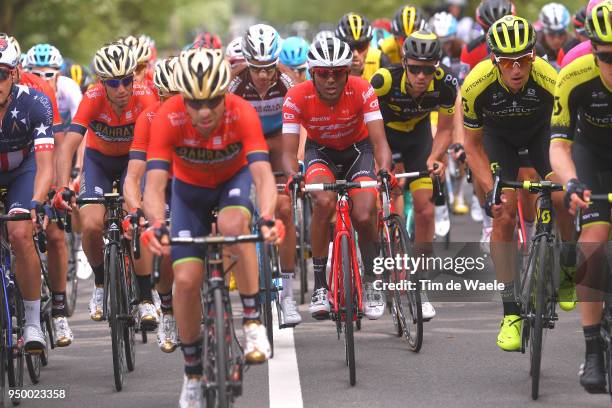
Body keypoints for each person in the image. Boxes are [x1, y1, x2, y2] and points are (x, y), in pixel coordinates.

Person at [141, 48, 281, 407]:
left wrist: (266, 216)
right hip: (188, 197)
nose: (204, 112)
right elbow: (155, 184)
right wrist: (157, 224)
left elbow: (263, 175)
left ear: (225, 95)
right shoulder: (168, 117)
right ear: (183, 98)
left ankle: (252, 323)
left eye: (213, 102)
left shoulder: (241, 112)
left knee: (237, 224)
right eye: (194, 102)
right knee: (185, 280)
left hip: (232, 182)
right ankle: (192, 372)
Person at [462, 15, 574, 352]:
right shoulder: (476, 84)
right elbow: (472, 145)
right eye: (508, 61)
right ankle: (510, 312)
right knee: (505, 213)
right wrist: (490, 188)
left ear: (533, 56)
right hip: (499, 141)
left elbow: (567, 135)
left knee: (562, 197)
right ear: (494, 59)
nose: (517, 69)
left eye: (523, 59)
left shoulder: (549, 78)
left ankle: (568, 265)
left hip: (543, 137)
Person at [281, 37, 393, 320]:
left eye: (338, 73)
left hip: (359, 152)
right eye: (323, 73)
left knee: (366, 214)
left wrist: (384, 169)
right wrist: (294, 175)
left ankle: (371, 283)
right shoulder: (296, 96)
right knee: (323, 201)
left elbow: (380, 142)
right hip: (320, 153)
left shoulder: (362, 89)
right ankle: (320, 286)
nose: (331, 80)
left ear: (347, 73)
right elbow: (287, 150)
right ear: (312, 73)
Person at [53, 43, 158, 327]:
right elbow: (69, 145)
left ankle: (147, 298)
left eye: (127, 80)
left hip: (132, 161)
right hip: (98, 162)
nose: (122, 88)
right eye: (114, 82)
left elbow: (157, 145)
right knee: (90, 224)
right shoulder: (93, 97)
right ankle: (100, 284)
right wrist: (64, 186)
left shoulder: (146, 97)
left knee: (134, 219)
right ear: (103, 82)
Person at [371, 30, 459, 320]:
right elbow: (364, 121)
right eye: (415, 68)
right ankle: (376, 261)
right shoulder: (383, 81)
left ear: (437, 67)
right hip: (383, 138)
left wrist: (435, 157)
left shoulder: (445, 85)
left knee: (425, 210)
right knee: (387, 195)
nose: (421, 76)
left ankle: (418, 284)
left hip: (418, 141)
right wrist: (377, 158)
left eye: (428, 69)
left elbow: (445, 129)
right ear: (405, 62)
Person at [549, 0, 612, 393]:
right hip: (591, 155)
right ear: (592, 49)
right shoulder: (574, 74)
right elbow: (558, 144)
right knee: (592, 244)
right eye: (606, 56)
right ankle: (592, 350)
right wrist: (571, 182)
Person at [229, 24, 301, 325]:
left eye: (269, 68)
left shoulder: (287, 78)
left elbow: (302, 119)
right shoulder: (233, 82)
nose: (263, 75)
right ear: (247, 61)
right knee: (237, 214)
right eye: (257, 69)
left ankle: (287, 295)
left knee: (284, 209)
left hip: (278, 139)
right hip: (245, 141)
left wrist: (296, 161)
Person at [0, 35, 55, 352]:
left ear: (16, 74)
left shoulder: (35, 103)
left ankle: (33, 324)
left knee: (20, 233)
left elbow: (45, 165)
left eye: (1, 74)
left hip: (25, 169)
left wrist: (38, 201)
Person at [124, 57, 180, 353]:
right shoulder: (148, 118)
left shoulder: (203, 114)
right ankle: (168, 311)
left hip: (192, 182)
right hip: (161, 187)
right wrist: (136, 212)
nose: (170, 103)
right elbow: (133, 178)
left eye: (178, 97)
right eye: (164, 96)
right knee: (166, 246)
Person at [460, 0, 515, 70]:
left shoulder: (469, 51)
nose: (497, 38)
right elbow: (465, 80)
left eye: (503, 32)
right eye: (490, 32)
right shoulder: (469, 51)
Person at [335, 12, 389, 81]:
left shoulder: (380, 59)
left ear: (369, 44)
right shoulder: (332, 66)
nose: (355, 54)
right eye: (349, 47)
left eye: (361, 46)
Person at [536, 3, 572, 70]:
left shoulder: (572, 43)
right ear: (544, 31)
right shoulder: (535, 44)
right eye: (551, 34)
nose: (556, 40)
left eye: (561, 34)